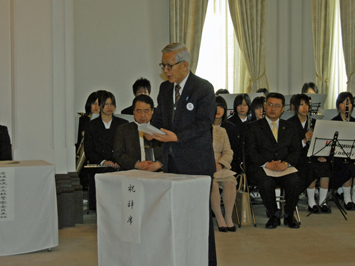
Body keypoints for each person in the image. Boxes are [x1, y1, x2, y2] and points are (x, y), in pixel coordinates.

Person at [150, 43, 217, 265]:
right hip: (171, 162)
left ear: (184, 64)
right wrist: (152, 131)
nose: (166, 70)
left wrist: (176, 137)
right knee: (173, 217)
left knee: (199, 218)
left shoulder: (203, 88)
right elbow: (160, 118)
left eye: (169, 65)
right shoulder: (164, 89)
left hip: (196, 164)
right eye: (163, 65)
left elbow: (203, 124)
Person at [245, 92, 302, 229]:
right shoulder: (253, 127)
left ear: (282, 109)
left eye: (277, 106)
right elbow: (250, 152)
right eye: (270, 105)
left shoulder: (290, 127)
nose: (272, 108)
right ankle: (274, 215)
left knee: (295, 181)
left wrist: (286, 163)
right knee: (265, 183)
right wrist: (266, 164)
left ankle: (289, 215)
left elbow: (296, 150)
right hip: (261, 167)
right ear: (265, 106)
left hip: (284, 167)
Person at [84, 91, 128, 210]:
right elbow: (89, 150)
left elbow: (126, 148)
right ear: (100, 106)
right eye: (106, 104)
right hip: (100, 165)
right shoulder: (91, 126)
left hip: (119, 164)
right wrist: (103, 161)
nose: (110, 107)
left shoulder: (123, 124)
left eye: (112, 104)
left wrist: (119, 161)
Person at [288, 94, 331, 213]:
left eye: (306, 104)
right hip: (298, 158)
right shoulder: (289, 124)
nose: (304, 107)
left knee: (325, 166)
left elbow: (322, 143)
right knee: (310, 168)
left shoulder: (315, 122)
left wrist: (321, 155)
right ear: (295, 107)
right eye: (301, 104)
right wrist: (304, 140)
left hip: (313, 155)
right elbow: (289, 147)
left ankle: (323, 202)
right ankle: (311, 202)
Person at [113, 95, 162, 171]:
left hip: (158, 172)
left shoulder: (160, 129)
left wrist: (159, 164)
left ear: (152, 111)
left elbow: (170, 151)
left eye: (146, 111)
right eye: (139, 111)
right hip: (132, 172)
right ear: (133, 111)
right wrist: (136, 164)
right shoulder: (123, 129)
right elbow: (118, 154)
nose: (142, 115)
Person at [211, 104, 236, 232]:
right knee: (213, 184)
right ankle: (220, 218)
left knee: (230, 182)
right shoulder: (197, 130)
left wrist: (220, 164)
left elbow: (228, 152)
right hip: (204, 167)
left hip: (219, 166)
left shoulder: (221, 131)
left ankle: (228, 217)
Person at [331, 92, 355, 210]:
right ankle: (347, 198)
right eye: (343, 102)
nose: (346, 105)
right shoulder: (333, 122)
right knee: (348, 167)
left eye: (349, 103)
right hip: (337, 157)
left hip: (352, 155)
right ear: (338, 105)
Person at [215, 96, 240, 173]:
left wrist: (222, 163)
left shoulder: (231, 128)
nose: (218, 109)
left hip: (227, 164)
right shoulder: (204, 127)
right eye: (215, 106)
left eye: (221, 107)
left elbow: (234, 151)